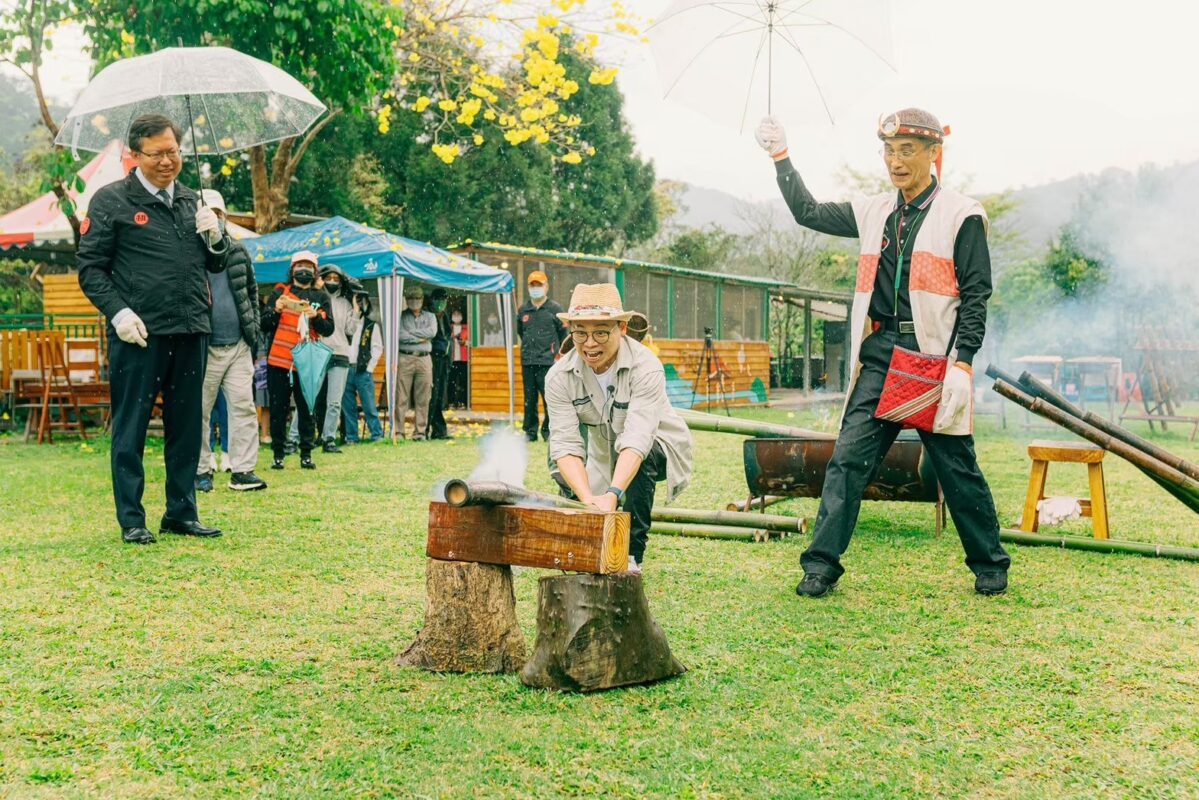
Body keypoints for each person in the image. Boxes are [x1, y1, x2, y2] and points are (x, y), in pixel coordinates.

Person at [755, 109, 1011, 597]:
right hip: (881, 353)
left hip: (933, 356)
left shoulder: (963, 213)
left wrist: (963, 361)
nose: (896, 161)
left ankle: (989, 564)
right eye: (889, 151)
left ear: (934, 153)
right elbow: (807, 212)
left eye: (907, 151)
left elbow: (977, 294)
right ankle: (820, 565)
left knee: (956, 467)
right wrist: (781, 157)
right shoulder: (873, 210)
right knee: (847, 460)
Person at [77, 113, 229, 545]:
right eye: (157, 153)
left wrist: (216, 237)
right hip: (138, 332)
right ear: (135, 155)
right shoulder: (111, 202)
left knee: (187, 425)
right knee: (131, 426)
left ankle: (181, 512)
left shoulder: (191, 201)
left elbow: (217, 263)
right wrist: (118, 313)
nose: (167, 161)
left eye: (174, 152)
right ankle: (132, 518)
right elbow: (91, 269)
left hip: (190, 327)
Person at [545, 285, 693, 574]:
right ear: (571, 331)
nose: (590, 344)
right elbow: (564, 443)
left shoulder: (646, 367)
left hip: (657, 444)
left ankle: (631, 554)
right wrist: (589, 500)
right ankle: (588, 537)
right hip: (602, 452)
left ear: (621, 327)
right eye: (580, 333)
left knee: (644, 455)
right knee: (558, 464)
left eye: (601, 332)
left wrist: (612, 493)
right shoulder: (558, 377)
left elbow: (638, 438)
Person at [194, 189, 267, 493]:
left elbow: (251, 292)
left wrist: (253, 332)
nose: (216, 219)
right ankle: (200, 471)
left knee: (243, 407)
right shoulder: (191, 254)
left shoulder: (238, 251)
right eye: (209, 213)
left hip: (238, 344)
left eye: (219, 214)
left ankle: (243, 470)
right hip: (205, 346)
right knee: (199, 411)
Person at [261, 251, 334, 470]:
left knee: (307, 408)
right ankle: (278, 455)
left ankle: (306, 454)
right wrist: (276, 309)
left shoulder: (321, 297)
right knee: (278, 409)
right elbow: (264, 324)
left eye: (309, 266)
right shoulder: (280, 291)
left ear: (314, 271)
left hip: (306, 362)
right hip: (278, 360)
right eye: (300, 265)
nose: (304, 269)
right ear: (292, 269)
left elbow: (329, 329)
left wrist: (315, 318)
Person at [313, 264, 361, 453]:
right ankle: (300, 437)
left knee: (334, 402)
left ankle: (329, 439)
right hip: (318, 351)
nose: (332, 281)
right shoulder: (315, 298)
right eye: (329, 277)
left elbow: (350, 330)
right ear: (322, 278)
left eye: (336, 278)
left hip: (340, 353)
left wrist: (356, 310)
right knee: (310, 398)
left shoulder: (345, 303)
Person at [516, 270, 566, 442]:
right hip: (528, 360)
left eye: (539, 285)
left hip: (549, 362)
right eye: (532, 285)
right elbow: (521, 332)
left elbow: (563, 334)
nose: (536, 288)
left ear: (546, 287)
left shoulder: (555, 309)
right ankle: (530, 432)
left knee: (549, 398)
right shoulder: (523, 310)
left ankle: (549, 431)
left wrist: (556, 354)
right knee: (529, 399)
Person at [342, 289, 385, 443]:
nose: (359, 305)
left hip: (362, 371)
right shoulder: (345, 325)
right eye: (356, 302)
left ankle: (377, 434)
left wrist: (369, 368)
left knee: (369, 405)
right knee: (348, 407)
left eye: (362, 302)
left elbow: (378, 348)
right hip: (346, 368)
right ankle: (352, 437)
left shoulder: (371, 326)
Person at [394, 284, 437, 440]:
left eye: (417, 298)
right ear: (406, 299)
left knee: (424, 397)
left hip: (425, 358)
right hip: (405, 357)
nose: (414, 301)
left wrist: (411, 334)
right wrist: (421, 338)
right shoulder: (400, 316)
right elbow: (399, 335)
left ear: (422, 299)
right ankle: (399, 431)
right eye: (411, 298)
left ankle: (420, 432)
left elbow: (432, 332)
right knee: (401, 396)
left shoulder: (430, 316)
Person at [426, 287, 452, 440]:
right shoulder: (429, 315)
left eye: (444, 300)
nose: (441, 303)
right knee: (432, 395)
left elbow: (447, 337)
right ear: (433, 300)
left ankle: (439, 430)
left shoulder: (445, 316)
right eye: (439, 299)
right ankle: (427, 428)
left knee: (440, 394)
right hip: (432, 358)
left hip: (443, 359)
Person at [449, 307, 470, 408]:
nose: (456, 316)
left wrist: (465, 342)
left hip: (463, 359)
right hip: (452, 359)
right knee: (451, 382)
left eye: (458, 314)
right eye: (454, 314)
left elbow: (472, 341)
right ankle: (451, 402)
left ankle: (462, 402)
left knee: (463, 382)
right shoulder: (449, 328)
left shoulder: (467, 328)